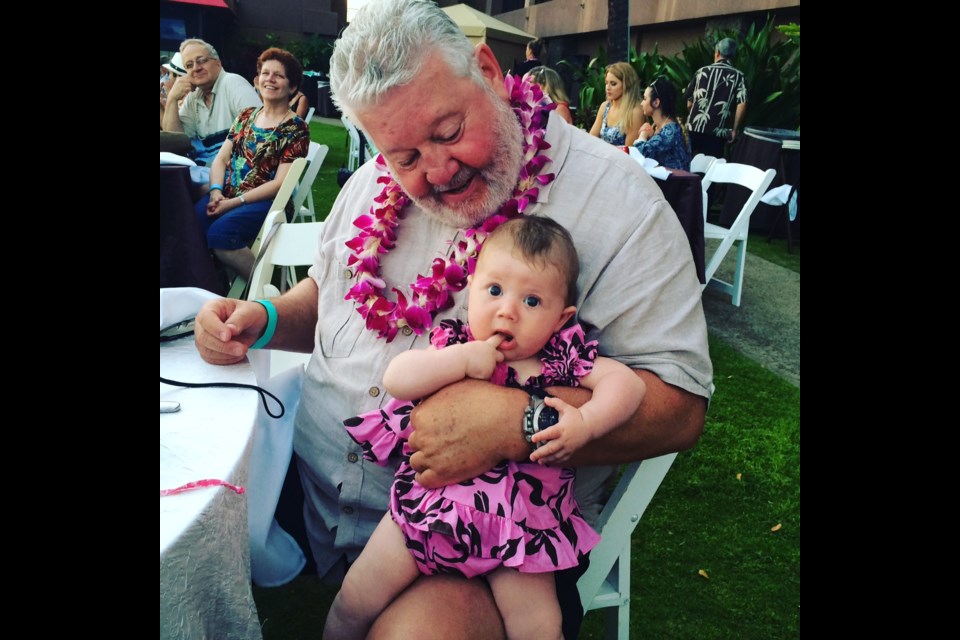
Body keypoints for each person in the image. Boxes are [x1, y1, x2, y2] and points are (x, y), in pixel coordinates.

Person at [193, 1, 712, 638]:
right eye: (404, 156)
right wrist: (264, 319)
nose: (436, 171)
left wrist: (514, 423)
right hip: (302, 493)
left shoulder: (621, 204)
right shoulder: (368, 185)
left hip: (491, 543)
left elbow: (681, 405)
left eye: (447, 132)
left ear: (490, 72)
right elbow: (329, 297)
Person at [324, 216, 646, 640]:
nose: (507, 310)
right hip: (426, 515)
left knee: (540, 627)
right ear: (471, 289)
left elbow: (628, 383)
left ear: (560, 317)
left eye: (532, 301)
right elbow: (397, 378)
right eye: (494, 291)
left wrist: (585, 422)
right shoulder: (454, 346)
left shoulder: (559, 361)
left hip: (520, 530)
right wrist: (459, 361)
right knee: (355, 600)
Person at [193, 47, 310, 276]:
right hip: (228, 194)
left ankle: (260, 292)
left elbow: (279, 185)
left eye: (279, 75)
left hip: (267, 203)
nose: (270, 79)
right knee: (194, 221)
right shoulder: (246, 116)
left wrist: (233, 202)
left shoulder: (296, 129)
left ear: (292, 87)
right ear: (257, 81)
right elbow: (221, 159)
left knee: (221, 234)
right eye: (266, 73)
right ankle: (213, 286)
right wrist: (216, 191)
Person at [161, 38, 261, 177]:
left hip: (237, 176)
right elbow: (176, 142)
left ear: (218, 63)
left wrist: (216, 184)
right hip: (211, 174)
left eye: (201, 60)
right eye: (189, 65)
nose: (196, 68)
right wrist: (172, 99)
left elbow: (259, 137)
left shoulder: (233, 83)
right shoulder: (194, 96)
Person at [684, 37, 748, 157]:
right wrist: (734, 130)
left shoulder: (701, 72)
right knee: (709, 169)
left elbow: (689, 103)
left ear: (717, 53)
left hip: (693, 128)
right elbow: (742, 103)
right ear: (733, 56)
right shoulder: (739, 76)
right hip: (717, 133)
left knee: (687, 164)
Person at [633, 77, 692, 171]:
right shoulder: (661, 128)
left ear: (656, 102)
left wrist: (643, 134)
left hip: (675, 183)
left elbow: (640, 153)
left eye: (644, 99)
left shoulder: (671, 131)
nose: (641, 103)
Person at [589, 62, 643, 147]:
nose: (608, 88)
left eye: (613, 84)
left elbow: (630, 151)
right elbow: (591, 139)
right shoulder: (605, 106)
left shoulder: (634, 112)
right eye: (606, 83)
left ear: (627, 85)